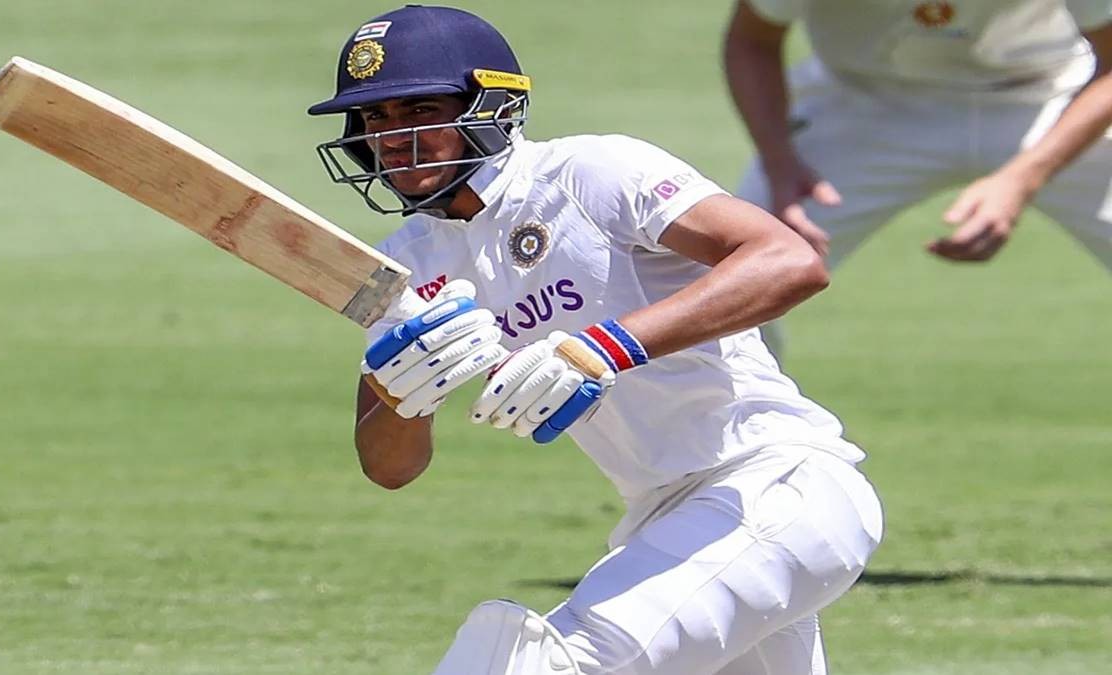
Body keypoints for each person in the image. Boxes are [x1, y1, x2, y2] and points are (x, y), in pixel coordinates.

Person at [308, 5, 883, 674]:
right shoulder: (408, 264)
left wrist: (602, 349)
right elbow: (390, 467)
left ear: (491, 105)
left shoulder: (589, 172)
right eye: (375, 118)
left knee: (547, 664)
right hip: (661, 517)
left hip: (775, 484)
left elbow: (788, 260)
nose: (393, 137)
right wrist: (400, 390)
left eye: (420, 110)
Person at [725, 0, 1112, 355]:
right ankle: (734, 408)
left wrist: (1022, 178)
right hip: (861, 103)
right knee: (728, 270)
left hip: (1046, 95)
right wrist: (779, 161)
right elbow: (753, 40)